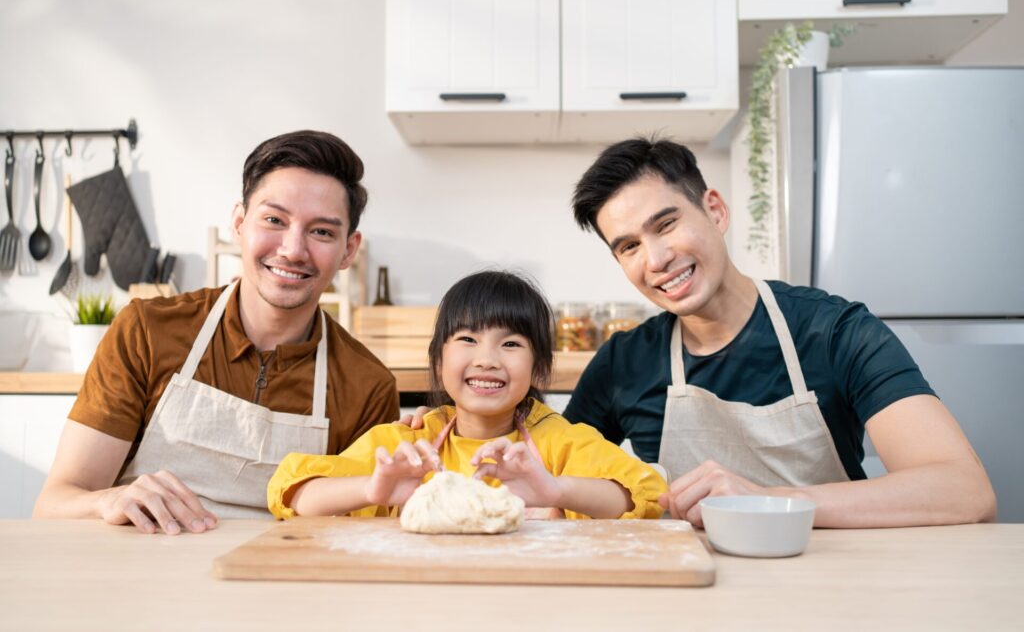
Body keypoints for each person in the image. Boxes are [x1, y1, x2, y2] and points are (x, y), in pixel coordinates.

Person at [561, 137, 996, 528]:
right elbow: (552, 485)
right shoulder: (623, 364)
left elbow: (964, 490)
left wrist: (768, 502)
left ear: (715, 210)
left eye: (666, 225)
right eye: (629, 246)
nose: (655, 259)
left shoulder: (835, 332)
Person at [33, 130, 400, 534]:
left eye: (322, 232)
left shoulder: (367, 386)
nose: (293, 249)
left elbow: (361, 534)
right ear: (239, 223)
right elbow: (55, 503)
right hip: (140, 582)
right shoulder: (147, 331)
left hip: (281, 588)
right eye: (274, 220)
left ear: (349, 249)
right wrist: (107, 500)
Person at [267, 270, 667, 520]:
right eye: (467, 339)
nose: (487, 359)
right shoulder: (412, 441)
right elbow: (293, 490)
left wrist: (554, 490)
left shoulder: (558, 442)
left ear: (540, 367)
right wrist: (374, 489)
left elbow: (646, 494)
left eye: (510, 344)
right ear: (439, 361)